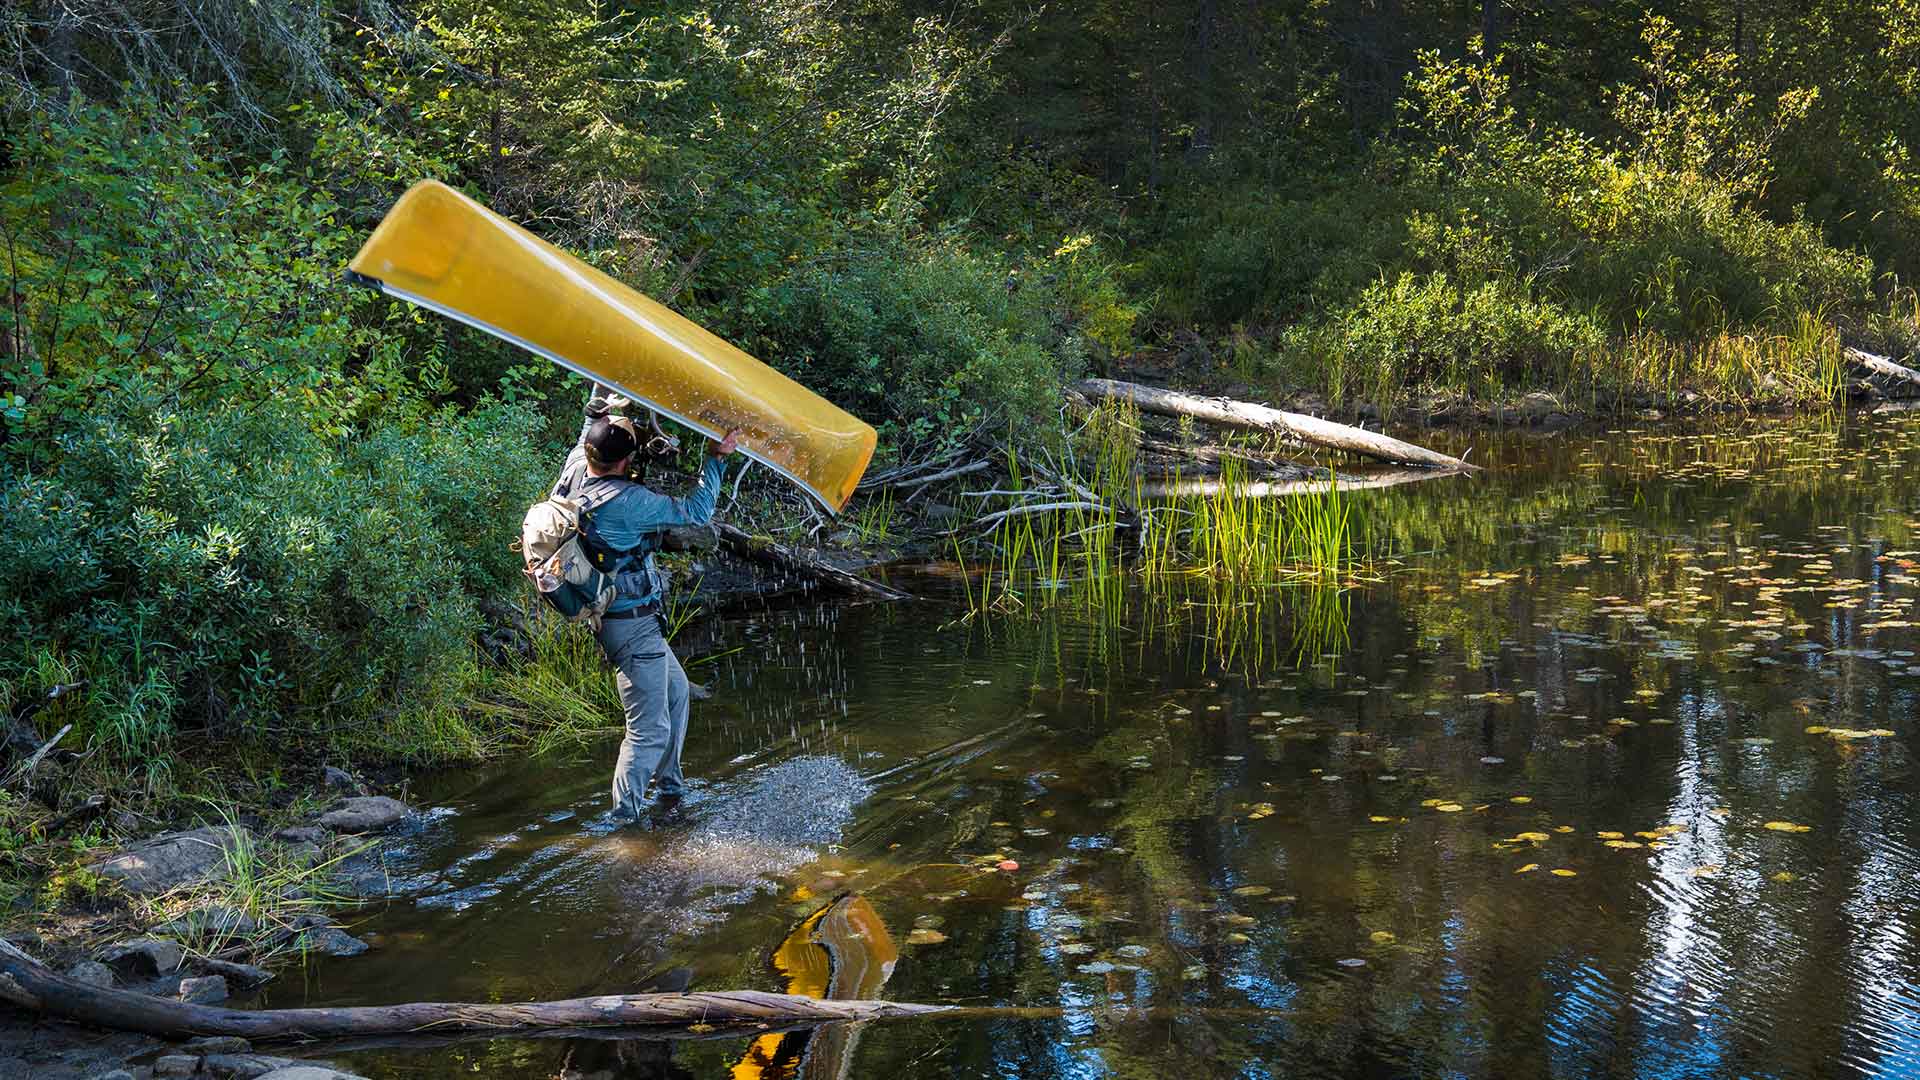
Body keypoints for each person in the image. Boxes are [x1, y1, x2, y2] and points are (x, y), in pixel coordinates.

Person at [554, 387, 740, 826]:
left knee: (677, 695)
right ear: (623, 464)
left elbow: (589, 424)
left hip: (624, 620)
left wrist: (602, 397)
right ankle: (623, 820)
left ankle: (670, 793)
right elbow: (696, 511)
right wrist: (715, 459)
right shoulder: (628, 503)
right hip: (630, 626)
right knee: (647, 729)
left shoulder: (576, 468)